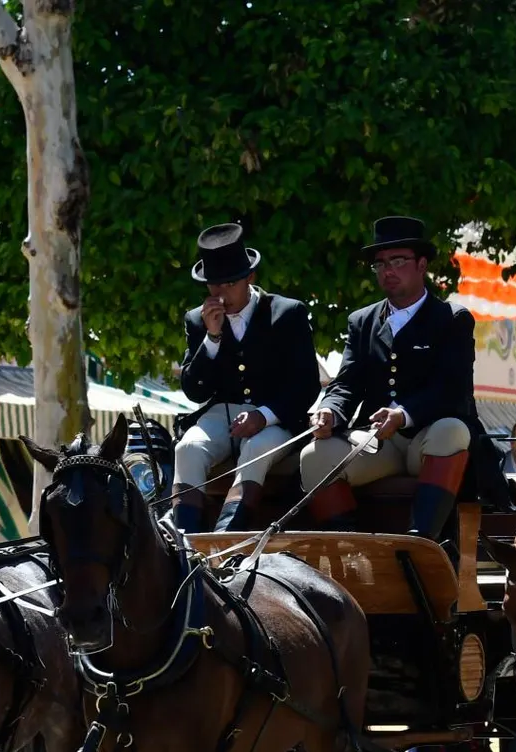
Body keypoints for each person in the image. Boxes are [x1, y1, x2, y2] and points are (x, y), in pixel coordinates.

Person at [303, 217, 478, 540]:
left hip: (429, 442)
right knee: (314, 455)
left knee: (452, 429)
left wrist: (402, 414)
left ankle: (420, 543)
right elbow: (347, 383)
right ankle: (350, 548)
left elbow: (451, 389)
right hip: (378, 443)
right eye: (380, 264)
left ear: (422, 264)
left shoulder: (452, 319)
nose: (387, 270)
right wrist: (330, 410)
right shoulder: (362, 321)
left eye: (398, 261)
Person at [173, 223, 320, 533]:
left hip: (277, 417)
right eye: (213, 285)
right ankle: (182, 537)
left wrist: (263, 416)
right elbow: (194, 391)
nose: (219, 293)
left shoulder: (288, 313)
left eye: (228, 283)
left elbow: (306, 385)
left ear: (250, 277)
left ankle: (226, 534)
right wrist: (212, 339)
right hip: (220, 413)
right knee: (187, 448)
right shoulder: (196, 320)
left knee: (255, 448)